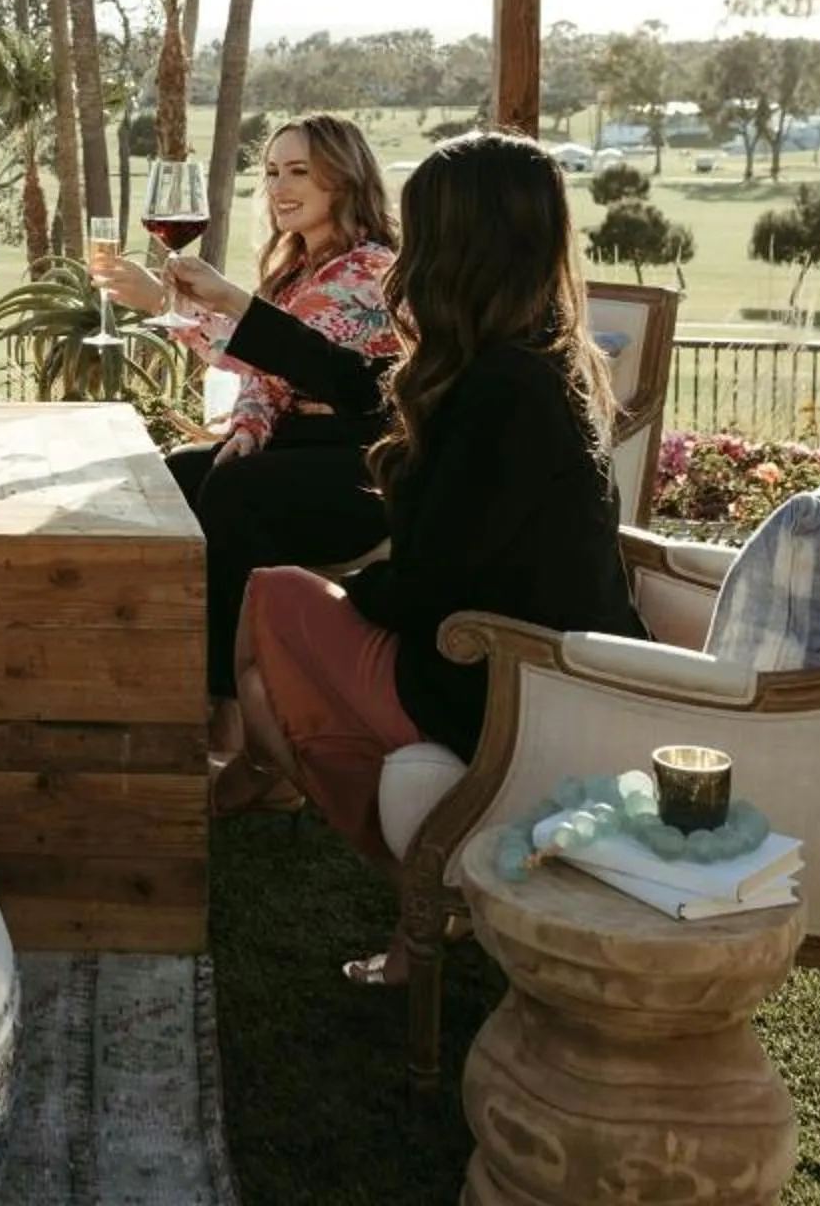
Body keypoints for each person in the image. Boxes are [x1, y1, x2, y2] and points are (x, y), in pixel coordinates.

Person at [155, 131, 648, 981]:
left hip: (502, 675)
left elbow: (428, 583)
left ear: (461, 244)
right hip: (549, 652)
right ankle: (273, 779)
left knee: (275, 603)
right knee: (274, 596)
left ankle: (413, 896)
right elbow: (354, 385)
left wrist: (354, 599)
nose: (404, 256)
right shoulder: (527, 360)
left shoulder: (497, 392)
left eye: (421, 236)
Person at [89, 114, 398, 810]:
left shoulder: (372, 270)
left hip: (356, 464)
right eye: (272, 172)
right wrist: (251, 424)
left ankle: (230, 716)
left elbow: (296, 353)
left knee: (233, 494)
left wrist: (175, 300)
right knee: (178, 475)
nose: (280, 187)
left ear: (342, 177)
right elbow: (266, 370)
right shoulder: (295, 266)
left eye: (299, 171)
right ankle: (165, 674)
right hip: (290, 448)